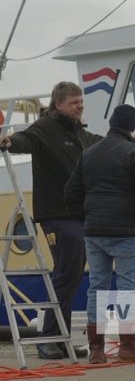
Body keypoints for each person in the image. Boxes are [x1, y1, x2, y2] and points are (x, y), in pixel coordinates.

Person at [0, 82, 101, 360]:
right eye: (74, 103)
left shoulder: (80, 134)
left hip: (79, 214)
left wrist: (126, 142)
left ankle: (60, 339)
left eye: (81, 101)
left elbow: (100, 144)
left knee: (70, 275)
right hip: (58, 214)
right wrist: (9, 141)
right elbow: (26, 140)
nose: (80, 106)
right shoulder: (45, 129)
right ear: (58, 104)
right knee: (65, 274)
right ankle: (47, 338)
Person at [64, 104, 135, 364]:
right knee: (127, 287)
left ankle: (96, 350)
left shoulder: (89, 153)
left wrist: (85, 216)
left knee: (97, 287)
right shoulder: (134, 152)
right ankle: (129, 346)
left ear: (112, 123)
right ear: (132, 126)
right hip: (125, 230)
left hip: (94, 231)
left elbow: (70, 192)